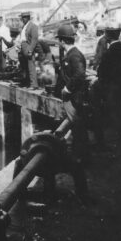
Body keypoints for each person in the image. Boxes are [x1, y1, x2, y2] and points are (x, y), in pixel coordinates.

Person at [54, 24, 90, 160]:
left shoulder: (74, 55)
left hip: (74, 97)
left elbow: (79, 74)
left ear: (62, 41)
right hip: (73, 97)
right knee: (76, 126)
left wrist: (67, 88)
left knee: (78, 126)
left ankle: (82, 156)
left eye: (60, 40)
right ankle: (79, 153)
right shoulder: (72, 54)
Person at [18, 12, 40, 88]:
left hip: (28, 47)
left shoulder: (33, 26)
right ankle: (27, 83)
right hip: (23, 47)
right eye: (22, 18)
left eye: (24, 18)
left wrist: (30, 50)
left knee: (31, 66)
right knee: (25, 67)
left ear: (28, 18)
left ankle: (34, 84)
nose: (23, 20)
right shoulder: (24, 27)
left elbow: (34, 39)